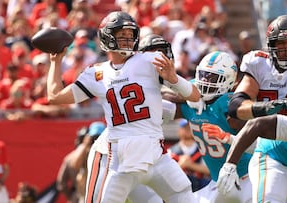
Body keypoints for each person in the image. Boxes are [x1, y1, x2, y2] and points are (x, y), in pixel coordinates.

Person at [48, 11, 200, 203]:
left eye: (130, 35)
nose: (128, 40)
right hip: (121, 159)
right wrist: (55, 62)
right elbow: (55, 96)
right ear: (107, 37)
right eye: (122, 35)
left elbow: (194, 95)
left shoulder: (147, 60)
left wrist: (174, 79)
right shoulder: (97, 73)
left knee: (185, 198)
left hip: (156, 153)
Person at [85, 32, 179, 203]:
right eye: (152, 53)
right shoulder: (128, 80)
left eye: (162, 53)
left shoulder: (166, 90)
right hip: (109, 156)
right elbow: (171, 100)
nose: (158, 58)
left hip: (139, 160)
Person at [162, 51, 252, 203]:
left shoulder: (228, 103)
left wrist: (190, 97)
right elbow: (165, 96)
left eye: (213, 77)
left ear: (229, 80)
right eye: (203, 75)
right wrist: (189, 96)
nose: (206, 82)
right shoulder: (191, 97)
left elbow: (252, 138)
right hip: (217, 182)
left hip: (248, 177)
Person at [168, 119, 211, 192]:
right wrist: (180, 165)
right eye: (185, 128)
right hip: (179, 187)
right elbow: (167, 173)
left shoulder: (203, 149)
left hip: (200, 187)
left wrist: (190, 165)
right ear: (179, 130)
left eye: (190, 127)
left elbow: (209, 170)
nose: (188, 130)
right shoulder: (171, 151)